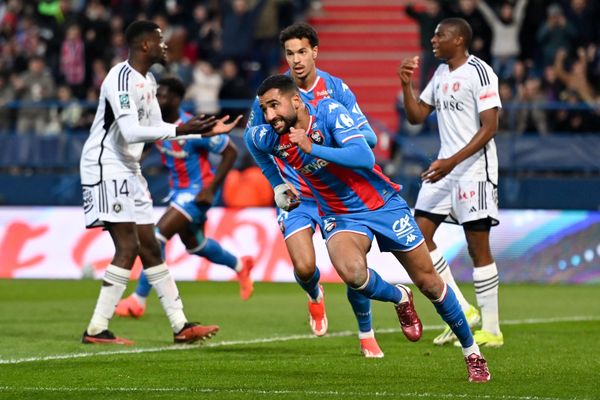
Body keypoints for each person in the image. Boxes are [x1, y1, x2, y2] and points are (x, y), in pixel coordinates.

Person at [246, 74, 491, 382]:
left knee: (430, 283)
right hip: (340, 215)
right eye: (264, 109)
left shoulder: (328, 112)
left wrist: (312, 148)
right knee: (352, 274)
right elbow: (250, 140)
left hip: (382, 205)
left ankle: (472, 353)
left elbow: (364, 156)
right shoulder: (270, 134)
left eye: (274, 106)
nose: (269, 116)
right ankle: (400, 297)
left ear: (295, 100)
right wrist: (277, 184)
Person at [80, 20, 240, 345]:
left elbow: (158, 125)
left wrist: (202, 129)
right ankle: (97, 329)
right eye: (160, 40)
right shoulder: (120, 78)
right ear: (143, 46)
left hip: (129, 167)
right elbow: (130, 131)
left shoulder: (148, 81)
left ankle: (180, 326)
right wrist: (182, 131)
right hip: (106, 165)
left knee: (151, 246)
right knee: (127, 246)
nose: (165, 45)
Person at [244, 23, 383, 358]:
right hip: (300, 196)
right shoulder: (273, 94)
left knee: (354, 269)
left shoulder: (336, 90)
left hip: (339, 193)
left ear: (315, 51)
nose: (296, 60)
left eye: (302, 51)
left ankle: (366, 333)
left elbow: (371, 139)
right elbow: (254, 140)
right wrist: (277, 183)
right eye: (290, 53)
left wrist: (327, 139)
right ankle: (314, 295)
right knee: (305, 267)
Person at [397, 18, 503, 348]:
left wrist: (451, 162)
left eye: (439, 34)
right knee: (416, 235)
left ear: (457, 40)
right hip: (444, 169)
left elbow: (490, 127)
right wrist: (406, 85)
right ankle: (462, 310)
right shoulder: (441, 73)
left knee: (477, 247)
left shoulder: (480, 72)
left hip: (473, 171)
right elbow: (417, 116)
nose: (433, 39)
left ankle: (493, 330)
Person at [115, 77, 252, 319]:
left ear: (177, 99)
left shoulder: (195, 124)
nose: (158, 100)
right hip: (177, 192)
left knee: (156, 237)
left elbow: (231, 152)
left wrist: (211, 189)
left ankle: (138, 300)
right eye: (157, 95)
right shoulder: (155, 124)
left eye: (163, 96)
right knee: (196, 245)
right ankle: (240, 265)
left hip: (198, 191)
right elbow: (142, 147)